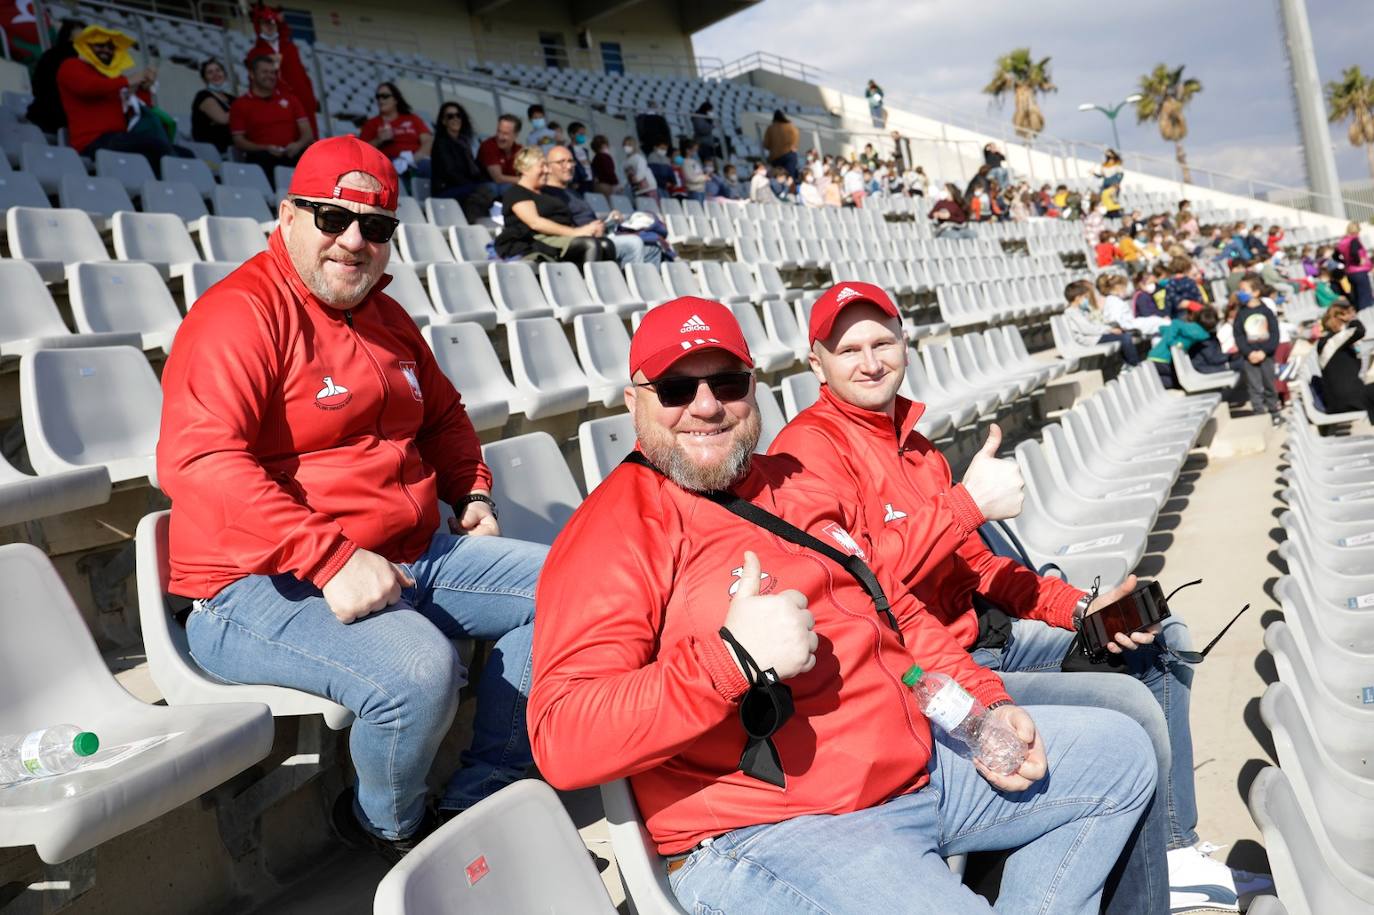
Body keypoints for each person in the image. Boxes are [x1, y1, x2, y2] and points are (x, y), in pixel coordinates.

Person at [528, 295, 1158, 915]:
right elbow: (563, 738)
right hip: (776, 829)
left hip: (914, 768)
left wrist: (981, 706)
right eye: (674, 389)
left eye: (727, 382)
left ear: (754, 388)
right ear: (633, 400)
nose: (706, 407)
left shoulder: (792, 481)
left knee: (1119, 757)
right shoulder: (613, 532)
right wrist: (730, 661)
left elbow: (894, 610)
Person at [769, 281, 1264, 912]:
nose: (870, 362)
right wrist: (965, 504)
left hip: (986, 636)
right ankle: (1161, 883)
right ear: (817, 362)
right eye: (850, 349)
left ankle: (1174, 848)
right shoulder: (806, 453)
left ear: (905, 344)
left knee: (1162, 640)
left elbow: (980, 566)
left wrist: (1078, 608)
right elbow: (857, 586)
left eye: (883, 342)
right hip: (927, 675)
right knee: (1128, 709)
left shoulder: (915, 446)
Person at [157, 136, 545, 861]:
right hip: (255, 583)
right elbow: (200, 459)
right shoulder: (239, 313)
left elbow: (446, 416)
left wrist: (472, 491)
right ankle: (388, 826)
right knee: (418, 671)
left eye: (375, 226)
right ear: (288, 215)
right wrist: (331, 558)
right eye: (331, 218)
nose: (352, 241)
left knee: (575, 589)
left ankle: (483, 790)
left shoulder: (387, 315)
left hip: (411, 552)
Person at [58, 25, 188, 168]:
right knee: (156, 147)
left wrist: (144, 88)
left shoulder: (114, 78)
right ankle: (166, 187)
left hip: (118, 139)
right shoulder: (71, 65)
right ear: (86, 47)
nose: (106, 50)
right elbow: (87, 88)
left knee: (186, 153)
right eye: (99, 45)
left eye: (110, 47)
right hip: (92, 142)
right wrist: (128, 81)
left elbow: (140, 107)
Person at [542, 145, 660, 266]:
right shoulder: (548, 194)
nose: (569, 166)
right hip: (585, 239)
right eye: (561, 162)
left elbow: (587, 219)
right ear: (548, 167)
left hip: (601, 233)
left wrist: (608, 220)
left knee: (653, 248)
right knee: (633, 243)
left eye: (571, 161)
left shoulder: (573, 193)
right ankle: (632, 283)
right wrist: (588, 231)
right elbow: (561, 225)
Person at [495, 146, 614, 264]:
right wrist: (576, 232)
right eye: (542, 166)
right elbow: (535, 223)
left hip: (561, 236)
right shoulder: (516, 192)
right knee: (590, 244)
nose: (547, 170)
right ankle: (585, 282)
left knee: (606, 244)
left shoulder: (547, 193)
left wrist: (591, 229)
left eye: (546, 166)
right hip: (536, 239)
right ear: (525, 169)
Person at [230, 54, 313, 175]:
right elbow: (239, 141)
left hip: (292, 153)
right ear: (252, 75)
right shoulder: (240, 104)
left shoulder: (291, 99)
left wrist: (297, 145)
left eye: (273, 72)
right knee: (261, 159)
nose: (270, 76)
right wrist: (265, 148)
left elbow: (307, 133)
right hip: (262, 157)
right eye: (265, 72)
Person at [247, 3, 317, 136]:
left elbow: (301, 74)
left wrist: (310, 98)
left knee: (309, 142)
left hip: (302, 101)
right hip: (276, 104)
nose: (269, 26)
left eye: (272, 23)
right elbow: (254, 82)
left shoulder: (290, 48)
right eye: (265, 23)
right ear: (258, 27)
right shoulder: (255, 53)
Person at [429, 101, 491, 221]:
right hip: (446, 190)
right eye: (450, 116)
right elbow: (450, 172)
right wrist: (473, 185)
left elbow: (473, 171)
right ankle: (474, 223)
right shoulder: (441, 143)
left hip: (463, 186)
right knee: (483, 190)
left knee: (494, 188)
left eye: (458, 115)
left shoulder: (464, 143)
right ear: (443, 121)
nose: (455, 119)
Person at [1234, 276, 1282, 424]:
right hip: (1250, 357)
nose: (1240, 293)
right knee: (1254, 386)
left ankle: (1274, 412)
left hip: (1266, 355)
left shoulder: (1266, 311)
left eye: (1244, 290)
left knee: (1269, 384)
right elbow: (1239, 335)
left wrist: (1264, 351)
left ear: (1255, 292)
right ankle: (1259, 414)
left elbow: (1274, 334)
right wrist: (1249, 353)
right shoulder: (1240, 314)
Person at [360, 82, 432, 178]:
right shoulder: (372, 123)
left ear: (396, 99)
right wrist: (379, 140)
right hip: (388, 163)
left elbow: (428, 141)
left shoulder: (412, 118)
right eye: (378, 97)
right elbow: (362, 151)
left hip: (416, 159)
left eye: (385, 96)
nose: (381, 100)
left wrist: (414, 159)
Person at [1317, 301, 1374, 420]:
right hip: (1346, 399)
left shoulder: (1331, 340)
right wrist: (1352, 319)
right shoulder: (1331, 341)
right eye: (1349, 314)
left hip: (1347, 396)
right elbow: (1359, 330)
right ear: (1340, 317)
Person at [28, 18, 84, 132]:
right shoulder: (81, 59)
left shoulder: (49, 55)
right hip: (64, 121)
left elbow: (36, 88)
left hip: (40, 116)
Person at [1065, 279, 1140, 365]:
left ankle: (1126, 362)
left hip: (1096, 335)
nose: (1087, 299)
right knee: (1124, 337)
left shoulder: (1080, 310)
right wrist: (1109, 330)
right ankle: (1134, 364)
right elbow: (1087, 329)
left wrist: (1110, 328)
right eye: (1085, 297)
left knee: (1123, 332)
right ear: (1077, 298)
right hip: (1091, 339)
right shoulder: (1072, 312)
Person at [1146, 301, 1209, 388]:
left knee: (1170, 383)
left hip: (1155, 358)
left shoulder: (1190, 328)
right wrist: (1173, 342)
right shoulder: (1196, 330)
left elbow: (1166, 328)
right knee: (1173, 383)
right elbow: (1175, 323)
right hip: (1162, 360)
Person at [1101, 272, 1168, 337]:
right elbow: (1118, 321)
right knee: (1161, 322)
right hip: (1130, 325)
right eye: (1124, 287)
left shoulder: (1113, 299)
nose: (1125, 290)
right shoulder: (1114, 301)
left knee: (1158, 321)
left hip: (1131, 323)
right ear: (1118, 287)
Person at [191, 59, 234, 153]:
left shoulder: (231, 98)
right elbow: (223, 119)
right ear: (204, 79)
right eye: (210, 72)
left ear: (224, 74)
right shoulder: (203, 96)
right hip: (214, 149)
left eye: (218, 70)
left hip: (235, 144)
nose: (215, 74)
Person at [1335, 222, 1373, 311]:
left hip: (1350, 272)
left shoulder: (1343, 242)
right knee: (1365, 297)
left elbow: (1335, 256)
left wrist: (1345, 262)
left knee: (1357, 297)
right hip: (1359, 271)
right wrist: (1358, 261)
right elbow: (1353, 252)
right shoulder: (1354, 240)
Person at [478, 113, 522, 188]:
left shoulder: (519, 149)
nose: (499, 137)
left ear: (515, 135)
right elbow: (498, 178)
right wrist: (525, 181)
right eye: (498, 131)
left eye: (505, 133)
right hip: (486, 188)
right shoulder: (488, 146)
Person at [762, 109, 800, 183]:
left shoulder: (771, 128)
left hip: (775, 157)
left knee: (778, 178)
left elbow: (766, 144)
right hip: (789, 155)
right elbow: (796, 139)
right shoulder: (791, 127)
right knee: (790, 177)